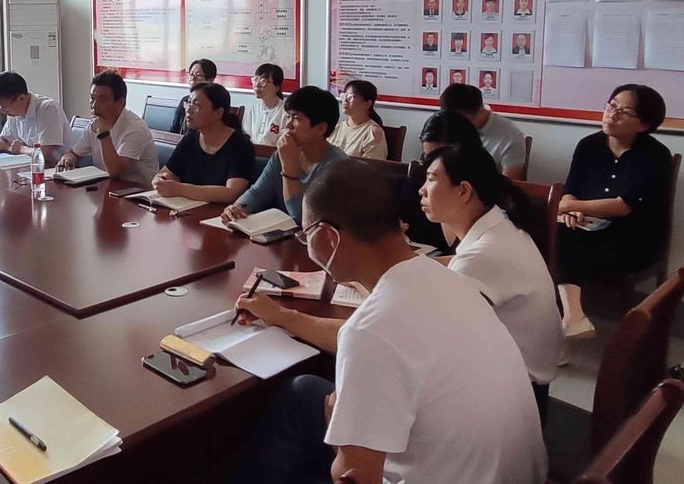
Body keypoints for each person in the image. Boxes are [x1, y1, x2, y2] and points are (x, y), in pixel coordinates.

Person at [229, 159, 546, 484]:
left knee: (299, 412)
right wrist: (285, 318)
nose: (307, 244)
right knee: (304, 392)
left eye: (306, 235)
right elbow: (393, 342)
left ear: (327, 236)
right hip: (518, 474)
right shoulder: (452, 282)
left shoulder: (370, 331)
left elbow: (354, 477)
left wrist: (339, 420)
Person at [419, 144, 564, 417]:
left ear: (464, 191)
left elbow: (431, 332)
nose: (422, 190)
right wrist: (400, 266)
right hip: (519, 384)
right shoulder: (500, 224)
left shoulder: (483, 255)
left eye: (430, 180)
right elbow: (456, 264)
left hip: (510, 400)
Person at [556, 85, 672, 338]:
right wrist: (569, 211)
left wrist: (570, 207)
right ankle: (573, 318)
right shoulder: (589, 145)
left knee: (565, 240)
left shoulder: (655, 155)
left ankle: (570, 322)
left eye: (625, 112)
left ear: (643, 125)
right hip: (587, 228)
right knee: (558, 230)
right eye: (611, 105)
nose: (612, 114)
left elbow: (622, 206)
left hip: (632, 237)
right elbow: (571, 189)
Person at [223, 86, 347, 224]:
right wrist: (238, 207)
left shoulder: (338, 167)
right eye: (288, 116)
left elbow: (303, 218)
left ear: (321, 128)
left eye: (296, 118)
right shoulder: (281, 155)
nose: (288, 125)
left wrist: (288, 167)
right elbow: (257, 193)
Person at [151, 83, 254, 204]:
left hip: (219, 212)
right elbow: (166, 173)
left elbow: (231, 193)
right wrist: (160, 180)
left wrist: (179, 189)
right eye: (188, 103)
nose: (188, 110)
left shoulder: (240, 144)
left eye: (196, 105)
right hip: (185, 208)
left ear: (218, 112)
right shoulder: (190, 138)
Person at [402, 111, 484, 253]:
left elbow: (471, 257)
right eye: (426, 157)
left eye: (437, 158)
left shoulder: (482, 197)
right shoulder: (419, 176)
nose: (430, 166)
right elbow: (402, 221)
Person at [57, 71, 159, 183]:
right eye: (92, 98)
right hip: (107, 186)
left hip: (137, 189)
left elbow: (115, 171)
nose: (94, 105)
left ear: (120, 102)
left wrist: (104, 134)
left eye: (102, 100)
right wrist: (68, 158)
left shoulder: (136, 128)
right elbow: (74, 153)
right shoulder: (94, 124)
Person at [0, 72, 71, 166]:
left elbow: (44, 154)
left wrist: (21, 149)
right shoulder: (15, 112)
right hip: (33, 166)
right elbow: (5, 139)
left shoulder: (48, 108)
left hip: (59, 168)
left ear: (22, 98)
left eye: (4, 107)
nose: (2, 111)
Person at [440, 83, 526, 179]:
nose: (455, 127)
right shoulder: (448, 125)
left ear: (480, 111)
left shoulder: (511, 137)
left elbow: (510, 184)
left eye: (460, 121)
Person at [329, 80, 388, 159]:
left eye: (351, 97)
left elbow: (370, 165)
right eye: (344, 96)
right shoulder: (336, 128)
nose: (345, 100)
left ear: (367, 104)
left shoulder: (373, 132)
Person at [242, 63, 289, 146]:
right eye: (256, 80)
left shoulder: (285, 112)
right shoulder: (252, 109)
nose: (257, 85)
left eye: (263, 81)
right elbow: (246, 136)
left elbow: (285, 143)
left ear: (276, 87)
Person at [169, 58, 217, 134]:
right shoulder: (185, 100)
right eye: (191, 74)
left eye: (198, 75)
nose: (193, 79)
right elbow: (173, 132)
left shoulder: (215, 102)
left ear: (211, 79)